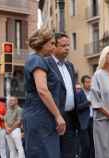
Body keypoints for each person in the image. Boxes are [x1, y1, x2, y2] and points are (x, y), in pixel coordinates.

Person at [23, 28, 66, 158]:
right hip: (40, 115)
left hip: (43, 115)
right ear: (43, 43)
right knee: (43, 153)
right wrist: (58, 116)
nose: (54, 47)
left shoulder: (39, 60)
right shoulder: (37, 60)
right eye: (52, 43)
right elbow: (42, 90)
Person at [45, 32, 80, 158]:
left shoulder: (69, 65)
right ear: (53, 46)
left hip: (70, 117)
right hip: (54, 117)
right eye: (63, 45)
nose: (67, 48)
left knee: (69, 153)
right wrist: (56, 115)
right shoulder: (46, 63)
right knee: (53, 153)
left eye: (68, 45)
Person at [79, 75, 94, 158]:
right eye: (87, 82)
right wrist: (88, 102)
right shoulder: (79, 93)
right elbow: (77, 107)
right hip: (84, 122)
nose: (89, 84)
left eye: (90, 82)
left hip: (93, 121)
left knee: (93, 145)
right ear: (83, 83)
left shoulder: (93, 93)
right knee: (86, 146)